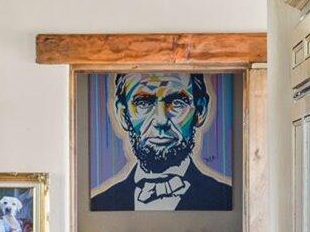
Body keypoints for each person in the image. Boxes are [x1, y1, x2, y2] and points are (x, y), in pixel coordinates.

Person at [89, 72, 236, 212]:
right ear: (122, 114)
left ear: (201, 111)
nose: (161, 120)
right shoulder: (101, 201)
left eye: (177, 103)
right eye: (143, 103)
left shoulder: (224, 197)